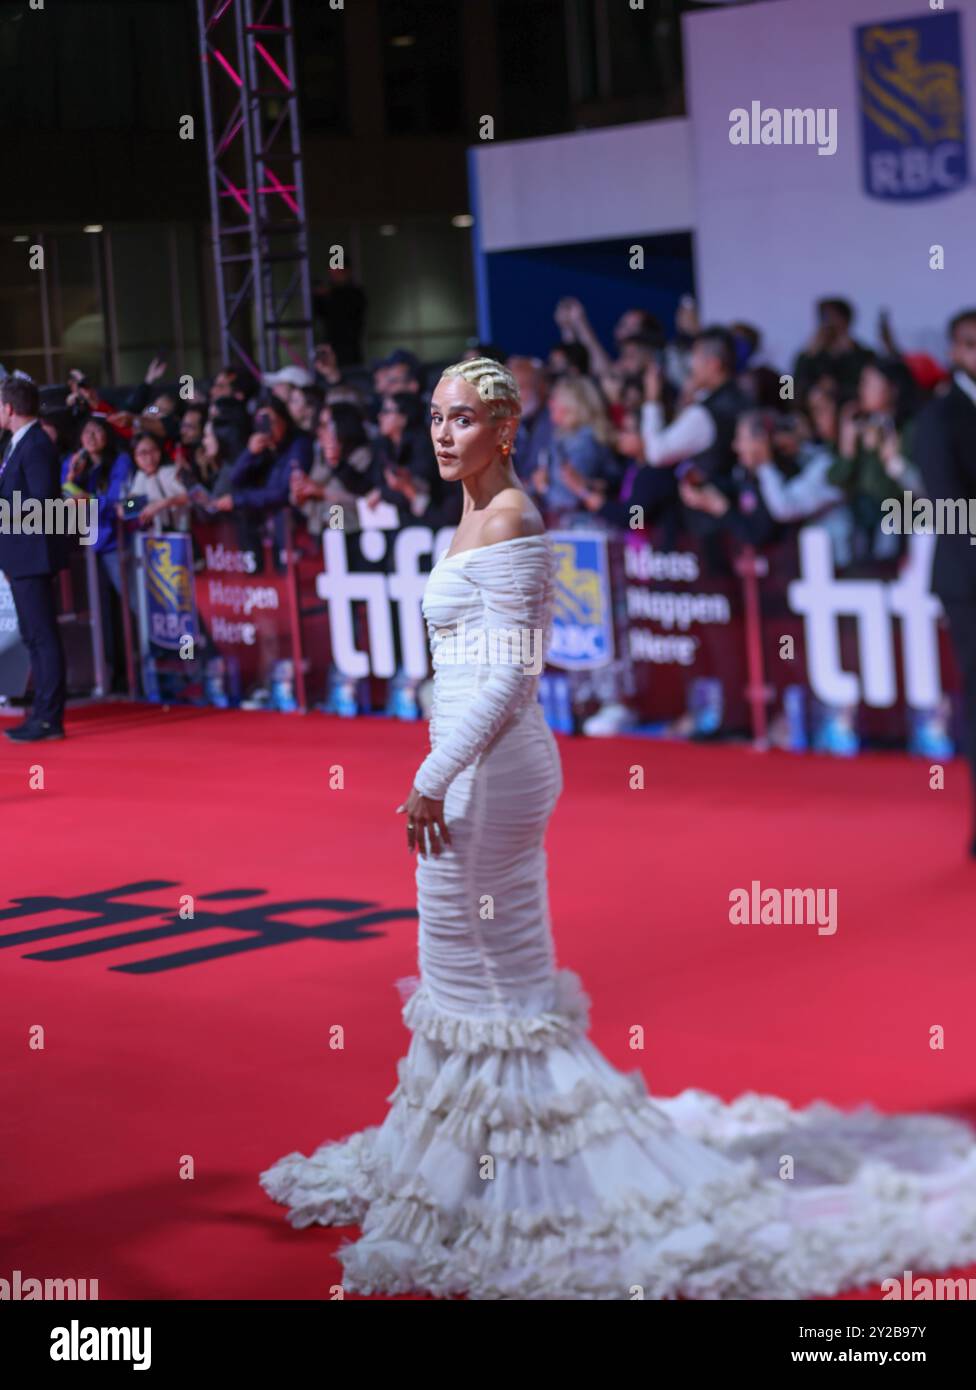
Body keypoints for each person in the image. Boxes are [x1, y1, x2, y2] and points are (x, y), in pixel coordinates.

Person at [260, 357, 976, 1300]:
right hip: (459, 763)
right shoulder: (466, 513)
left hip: (491, 772)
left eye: (463, 419)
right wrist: (435, 763)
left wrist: (433, 772)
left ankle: (531, 1181)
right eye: (435, 417)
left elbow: (515, 679)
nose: (441, 434)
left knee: (499, 985)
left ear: (508, 428)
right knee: (458, 975)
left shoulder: (513, 519)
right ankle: (459, 1166)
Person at [915, 308, 976, 856]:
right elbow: (948, 507)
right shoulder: (941, 418)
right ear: (956, 352)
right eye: (972, 345)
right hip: (969, 582)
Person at [0, 377, 69, 741]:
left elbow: (43, 502)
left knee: (42, 636)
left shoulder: (36, 444)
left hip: (33, 555)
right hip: (20, 555)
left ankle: (49, 717)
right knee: (33, 635)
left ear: (9, 408)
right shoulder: (18, 444)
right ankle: (42, 713)